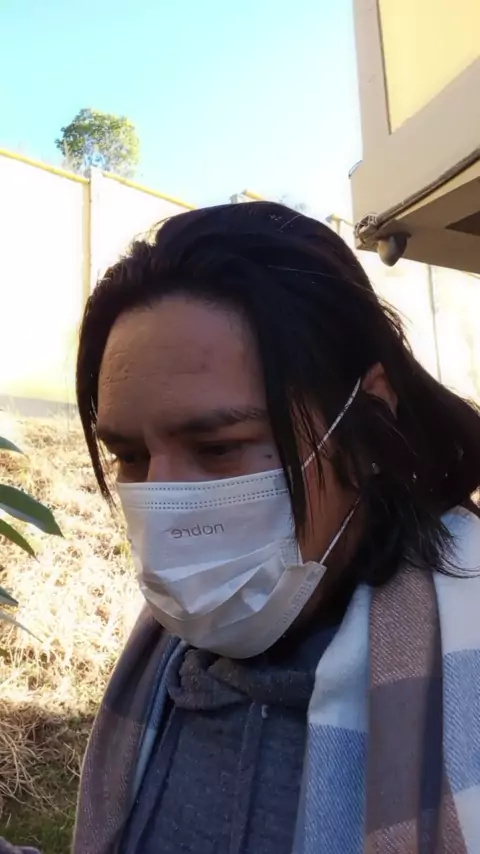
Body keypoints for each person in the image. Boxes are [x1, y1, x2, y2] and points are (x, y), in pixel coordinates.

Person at [68, 202, 480, 853]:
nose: (165, 503)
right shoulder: (166, 673)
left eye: (220, 447)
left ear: (367, 420)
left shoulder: (465, 670)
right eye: (131, 456)